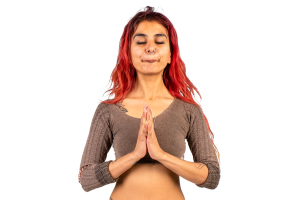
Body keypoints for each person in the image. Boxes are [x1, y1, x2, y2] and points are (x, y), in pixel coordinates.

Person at [78, 6, 221, 199]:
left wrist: (160, 155)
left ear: (171, 54)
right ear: (128, 53)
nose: (150, 47)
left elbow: (211, 176)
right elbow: (86, 178)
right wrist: (134, 155)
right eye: (141, 41)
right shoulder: (108, 110)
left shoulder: (189, 110)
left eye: (160, 41)